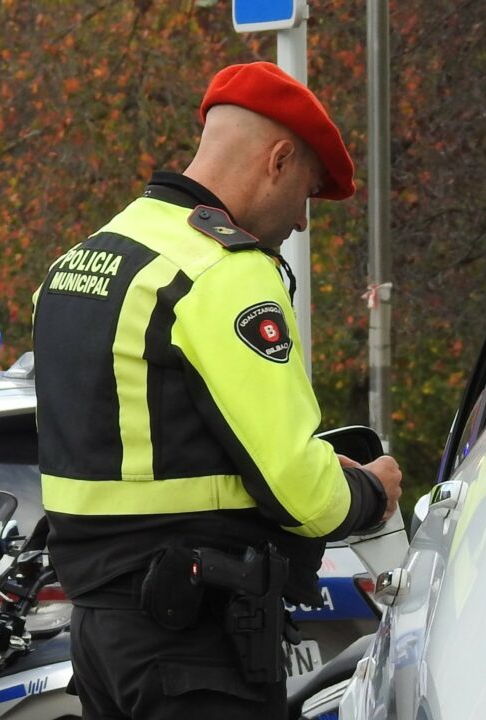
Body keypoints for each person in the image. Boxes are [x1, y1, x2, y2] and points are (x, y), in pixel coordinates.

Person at [32, 61, 403, 720]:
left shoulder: (85, 260)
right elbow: (299, 484)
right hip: (194, 645)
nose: (302, 222)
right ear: (280, 160)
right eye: (309, 194)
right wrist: (372, 489)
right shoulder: (222, 272)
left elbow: (159, 445)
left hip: (100, 636)